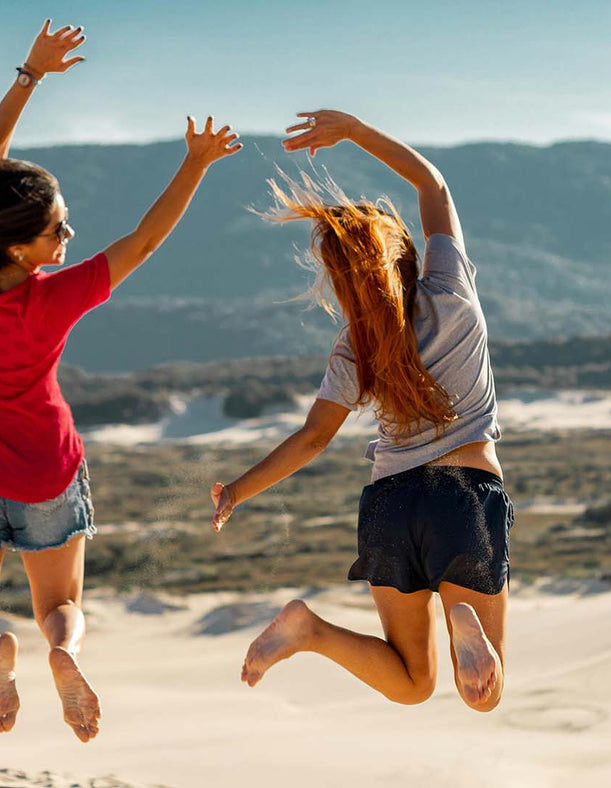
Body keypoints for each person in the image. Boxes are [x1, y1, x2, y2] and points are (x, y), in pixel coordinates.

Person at [0, 20, 241, 742]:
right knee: (62, 606)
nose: (69, 239)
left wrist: (29, 74)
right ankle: (62, 653)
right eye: (58, 230)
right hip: (49, 475)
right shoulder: (56, 296)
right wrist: (196, 165)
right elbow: (145, 239)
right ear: (21, 245)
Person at [209, 109, 509, 712]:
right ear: (403, 253)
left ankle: (310, 630)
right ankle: (464, 620)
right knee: (481, 697)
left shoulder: (355, 345)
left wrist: (237, 491)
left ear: (343, 284)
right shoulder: (449, 288)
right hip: (465, 493)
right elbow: (432, 185)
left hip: (389, 505)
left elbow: (313, 437)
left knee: (412, 682)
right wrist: (352, 130)